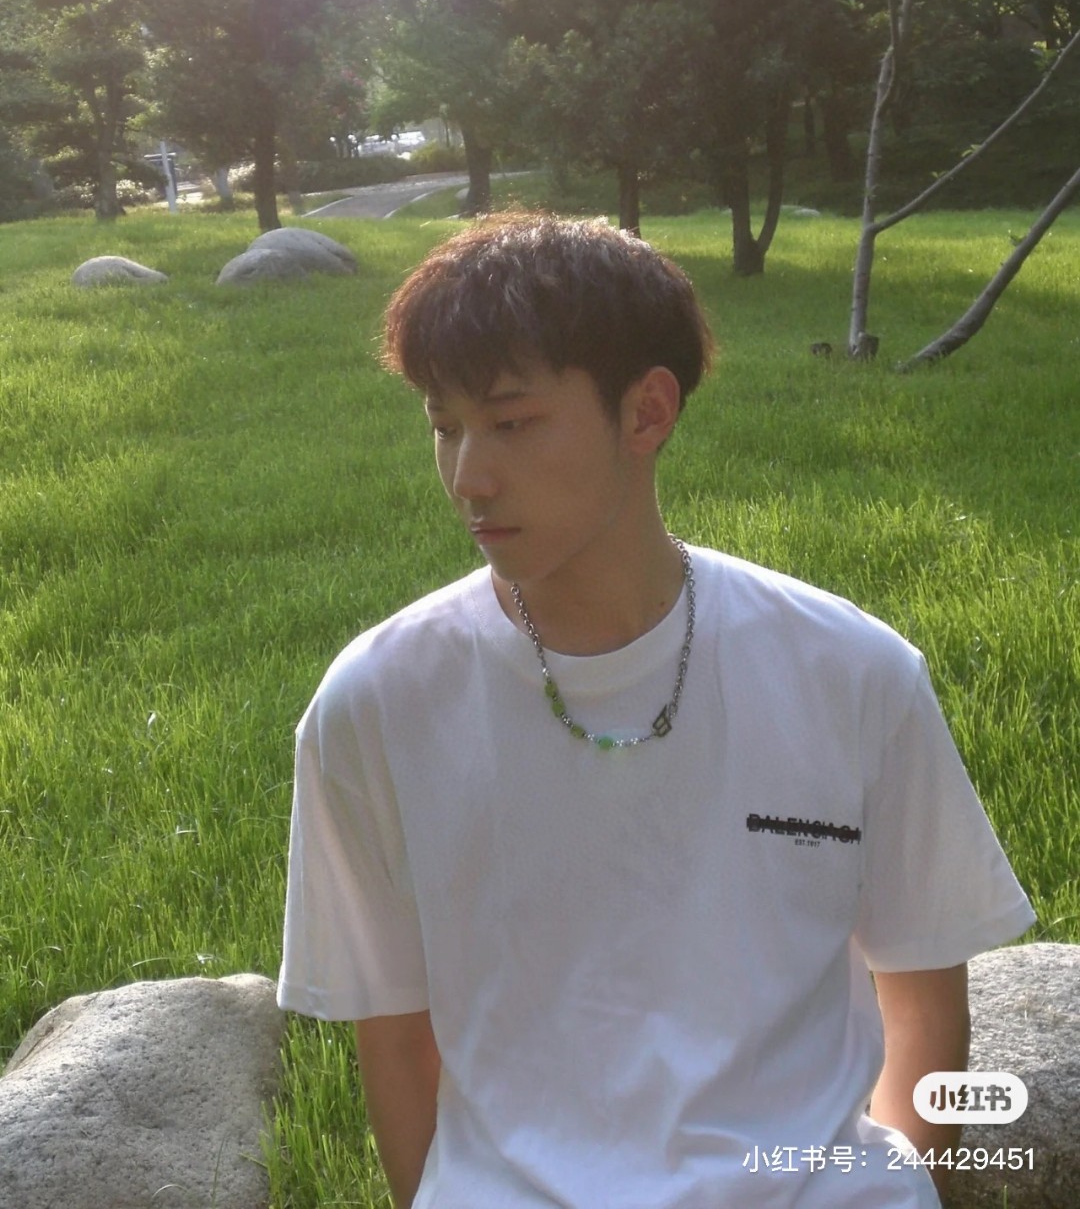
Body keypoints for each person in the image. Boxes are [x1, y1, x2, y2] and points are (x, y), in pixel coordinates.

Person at [278, 213, 1035, 1209]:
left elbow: (925, 997)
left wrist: (892, 1183)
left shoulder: (851, 672)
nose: (469, 477)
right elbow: (395, 1037)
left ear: (647, 413)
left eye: (511, 422)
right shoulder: (377, 703)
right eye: (444, 425)